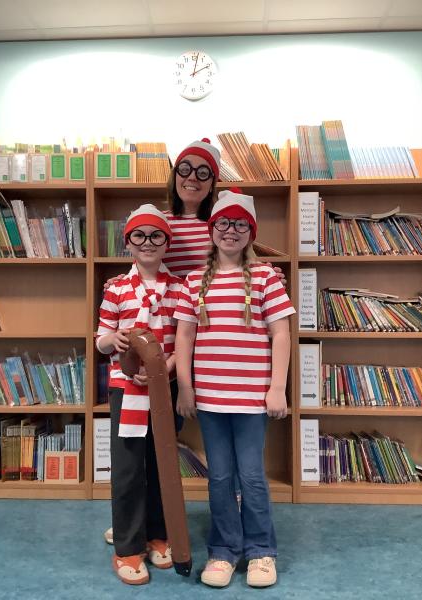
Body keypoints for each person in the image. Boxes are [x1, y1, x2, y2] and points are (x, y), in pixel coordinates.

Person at [102, 138, 286, 544]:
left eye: (204, 173)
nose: (192, 178)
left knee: (169, 444)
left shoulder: (219, 221)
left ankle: (182, 522)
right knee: (139, 444)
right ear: (174, 175)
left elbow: (245, 255)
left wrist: (271, 272)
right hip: (164, 337)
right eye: (185, 169)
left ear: (213, 182)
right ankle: (134, 520)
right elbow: (144, 259)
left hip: (205, 347)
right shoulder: (161, 221)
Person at [174, 188, 296, 588]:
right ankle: (223, 551)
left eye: (240, 224)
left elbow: (281, 334)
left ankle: (261, 551)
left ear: (251, 232)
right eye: (223, 223)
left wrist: (277, 387)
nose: (230, 230)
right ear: (212, 229)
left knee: (252, 476)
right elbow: (184, 337)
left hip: (252, 400)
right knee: (220, 478)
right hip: (210, 399)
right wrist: (185, 388)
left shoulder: (265, 278)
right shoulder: (194, 281)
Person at [96, 204, 183, 585]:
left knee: (161, 464)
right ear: (128, 242)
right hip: (126, 389)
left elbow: (183, 342)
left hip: (165, 387)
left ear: (167, 242)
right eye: (139, 235)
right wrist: (111, 340)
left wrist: (165, 369)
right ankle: (127, 547)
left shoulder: (180, 288)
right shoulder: (115, 288)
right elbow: (100, 339)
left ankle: (158, 534)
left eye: (156, 235)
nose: (148, 242)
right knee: (128, 468)